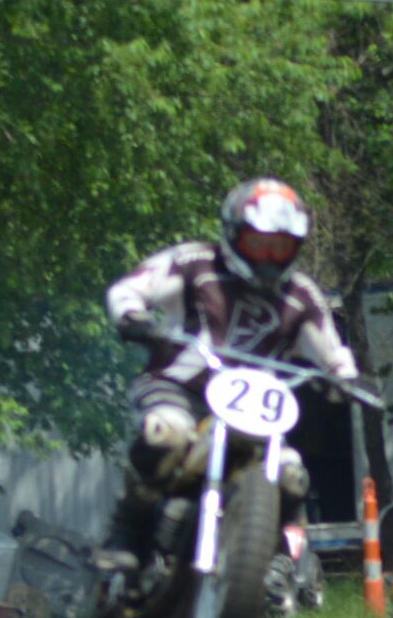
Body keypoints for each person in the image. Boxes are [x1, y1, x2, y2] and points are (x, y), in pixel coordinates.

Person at [93, 177, 359, 576]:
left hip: (254, 409)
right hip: (178, 387)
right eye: (259, 243)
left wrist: (346, 380)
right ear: (233, 234)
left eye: (280, 247)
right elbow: (130, 288)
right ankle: (126, 531)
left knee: (291, 474)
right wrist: (132, 317)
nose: (268, 257)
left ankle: (265, 556)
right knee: (167, 432)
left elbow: (332, 352)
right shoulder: (193, 263)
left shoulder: (301, 295)